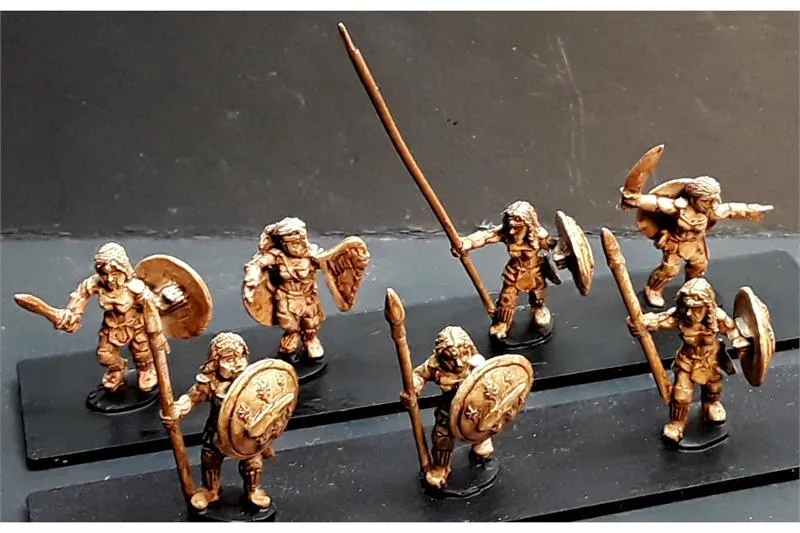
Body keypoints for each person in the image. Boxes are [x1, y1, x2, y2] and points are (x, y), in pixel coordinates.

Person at [627, 278, 748, 443]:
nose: (690, 313)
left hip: (711, 359)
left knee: (713, 387)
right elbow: (658, 320)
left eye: (696, 308)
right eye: (687, 307)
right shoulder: (681, 316)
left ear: (707, 305)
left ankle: (711, 404)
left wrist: (742, 344)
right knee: (680, 396)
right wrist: (639, 323)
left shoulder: (718, 317)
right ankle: (676, 423)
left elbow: (733, 331)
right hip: (687, 360)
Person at [162, 332, 274, 510]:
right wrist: (178, 409)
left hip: (246, 433)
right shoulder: (210, 383)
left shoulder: (253, 381)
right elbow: (191, 398)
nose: (237, 364)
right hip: (216, 433)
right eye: (229, 359)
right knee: (210, 461)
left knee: (253, 463)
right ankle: (211, 490)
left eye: (241, 357)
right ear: (215, 361)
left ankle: (253, 490)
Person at [621, 176, 772, 307]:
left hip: (695, 243)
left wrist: (752, 210)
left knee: (699, 266)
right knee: (669, 270)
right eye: (706, 201)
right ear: (693, 198)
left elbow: (731, 209)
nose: (712, 204)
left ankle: (692, 289)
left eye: (714, 200)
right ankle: (653, 289)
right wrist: (635, 199)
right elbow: (656, 203)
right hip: (676, 242)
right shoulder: (679, 207)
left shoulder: (711, 209)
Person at [400, 326, 494, 488]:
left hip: (475, 410)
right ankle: (441, 467)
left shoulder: (476, 363)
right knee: (442, 439)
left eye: (463, 355)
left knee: (480, 427)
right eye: (450, 359)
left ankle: (481, 441)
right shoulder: (435, 366)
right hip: (449, 410)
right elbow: (418, 374)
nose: (458, 363)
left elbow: (493, 385)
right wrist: (414, 386)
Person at [454, 201, 561, 339]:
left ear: (527, 221)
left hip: (535, 270)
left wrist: (564, 250)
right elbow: (486, 236)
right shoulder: (506, 232)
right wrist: (466, 243)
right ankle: (503, 322)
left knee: (538, 295)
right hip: (514, 272)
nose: (512, 223)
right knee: (507, 299)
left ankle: (539, 309)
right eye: (510, 218)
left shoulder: (539, 235)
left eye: (517, 219)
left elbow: (555, 247)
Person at [243, 217, 325, 362]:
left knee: (311, 323)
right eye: (290, 244)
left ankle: (310, 340)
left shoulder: (312, 254)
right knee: (289, 325)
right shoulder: (278, 256)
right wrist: (252, 279)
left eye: (298, 242)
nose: (296, 247)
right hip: (286, 297)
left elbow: (330, 264)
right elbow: (256, 264)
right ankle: (292, 338)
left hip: (307, 296)